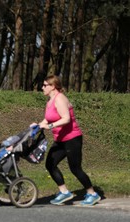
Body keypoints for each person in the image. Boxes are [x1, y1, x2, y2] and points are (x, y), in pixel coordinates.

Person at [32, 75, 101, 206]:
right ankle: (64, 192)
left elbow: (66, 118)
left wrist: (50, 126)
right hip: (60, 140)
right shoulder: (50, 101)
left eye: (45, 85)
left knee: (75, 168)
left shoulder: (60, 99)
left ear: (52, 86)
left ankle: (92, 194)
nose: (42, 87)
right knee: (50, 164)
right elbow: (47, 119)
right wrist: (37, 125)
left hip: (72, 138)